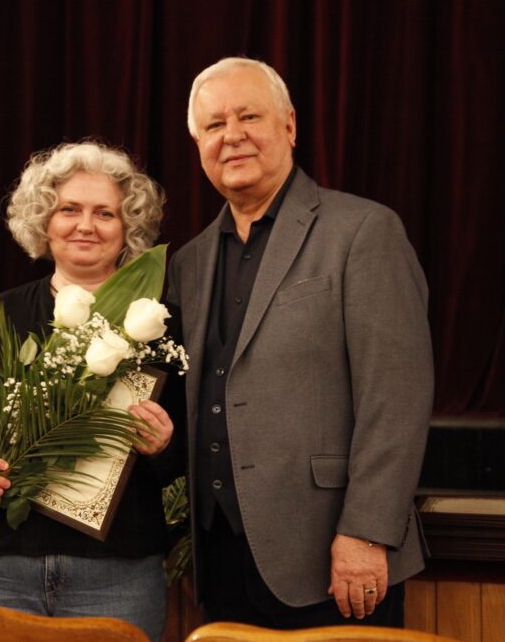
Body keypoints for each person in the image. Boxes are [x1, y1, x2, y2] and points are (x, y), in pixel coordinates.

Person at [166, 57, 434, 629]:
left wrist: (366, 532)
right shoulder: (188, 262)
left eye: (248, 117)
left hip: (334, 557)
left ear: (289, 126)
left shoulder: (362, 230)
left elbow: (397, 398)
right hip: (221, 559)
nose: (231, 136)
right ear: (198, 145)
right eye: (214, 125)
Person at [0, 141, 177, 641]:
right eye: (69, 210)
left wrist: (166, 445)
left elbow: (198, 444)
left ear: (127, 227)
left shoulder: (161, 327)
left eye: (104, 213)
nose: (86, 225)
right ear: (44, 221)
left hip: (117, 574)